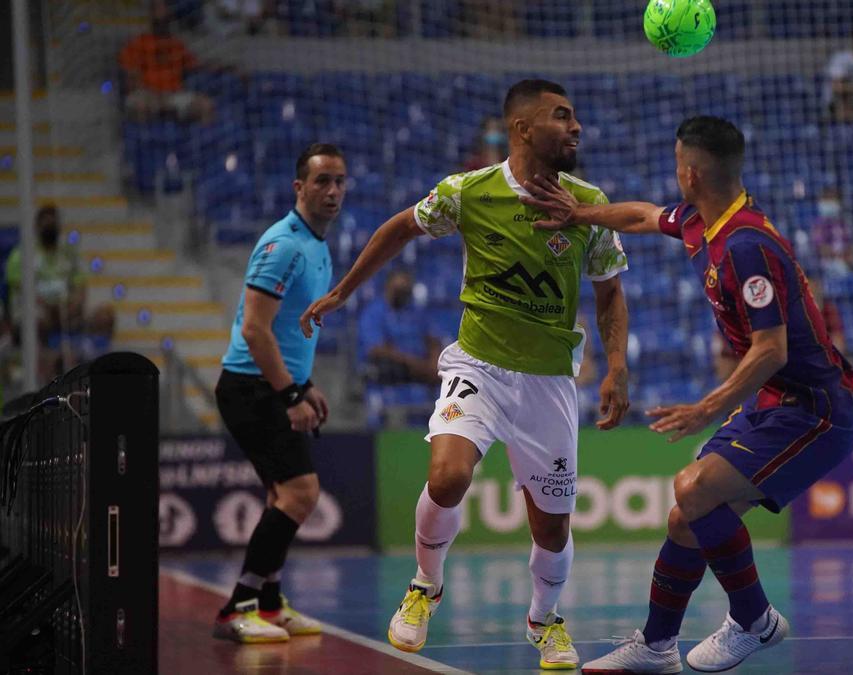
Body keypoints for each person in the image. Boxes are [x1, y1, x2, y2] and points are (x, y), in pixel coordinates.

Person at [299, 79, 631, 669]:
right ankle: (426, 585)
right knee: (448, 476)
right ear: (523, 128)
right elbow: (400, 227)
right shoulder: (468, 192)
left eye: (576, 117)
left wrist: (617, 367)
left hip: (550, 381)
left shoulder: (588, 203)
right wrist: (343, 292)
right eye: (563, 116)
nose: (576, 127)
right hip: (478, 364)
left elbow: (609, 293)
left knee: (551, 528)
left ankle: (544, 619)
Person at [520, 116, 853, 673]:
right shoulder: (705, 221)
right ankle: (656, 648)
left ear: (691, 172)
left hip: (816, 412)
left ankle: (755, 621)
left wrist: (709, 407)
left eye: (678, 162)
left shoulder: (747, 245)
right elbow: (642, 216)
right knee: (686, 516)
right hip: (778, 403)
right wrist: (578, 214)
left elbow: (772, 349)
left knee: (691, 487)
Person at [211, 143, 345, 644]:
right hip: (251, 388)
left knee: (281, 495)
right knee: (301, 493)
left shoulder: (317, 244)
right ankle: (237, 607)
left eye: (339, 181)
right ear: (299, 187)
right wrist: (291, 395)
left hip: (273, 385)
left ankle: (267, 604)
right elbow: (254, 330)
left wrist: (305, 384)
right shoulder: (284, 245)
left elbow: (288, 331)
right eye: (322, 181)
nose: (332, 191)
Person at [5, 204, 88, 381]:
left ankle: (89, 375)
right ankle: (42, 371)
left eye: (53, 224)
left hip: (65, 312)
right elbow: (23, 291)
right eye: (46, 225)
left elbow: (81, 289)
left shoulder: (69, 254)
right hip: (32, 313)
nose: (50, 228)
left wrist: (72, 305)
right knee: (39, 319)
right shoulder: (21, 255)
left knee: (105, 316)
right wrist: (50, 306)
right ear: (36, 227)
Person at [118, 2, 214, 124]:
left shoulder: (176, 45)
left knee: (206, 105)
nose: (163, 22)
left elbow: (197, 65)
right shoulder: (137, 44)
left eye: (165, 17)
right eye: (158, 16)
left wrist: (227, 68)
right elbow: (130, 77)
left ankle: (205, 140)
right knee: (140, 105)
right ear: (151, 17)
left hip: (173, 95)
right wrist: (152, 95)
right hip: (147, 95)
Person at [357, 269, 440, 385]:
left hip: (423, 374)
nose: (402, 294)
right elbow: (376, 349)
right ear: (387, 287)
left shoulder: (415, 311)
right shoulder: (373, 312)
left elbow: (433, 340)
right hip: (393, 374)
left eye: (405, 290)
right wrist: (413, 363)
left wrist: (434, 363)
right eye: (398, 290)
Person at [809, 184, 853, 278]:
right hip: (826, 264)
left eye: (833, 199)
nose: (830, 202)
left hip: (845, 261)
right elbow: (822, 250)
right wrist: (840, 255)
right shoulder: (819, 224)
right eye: (827, 199)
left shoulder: (843, 223)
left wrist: (848, 256)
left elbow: (850, 246)